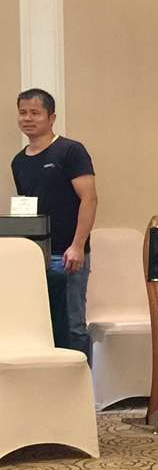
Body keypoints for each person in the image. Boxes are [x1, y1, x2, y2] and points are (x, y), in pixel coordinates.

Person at [12, 89, 98, 358]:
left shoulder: (70, 151)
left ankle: (81, 383)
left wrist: (78, 245)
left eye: (35, 113)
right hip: (35, 258)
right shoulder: (18, 161)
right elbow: (27, 211)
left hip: (68, 255)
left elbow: (89, 199)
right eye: (23, 112)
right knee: (41, 327)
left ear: (51, 117)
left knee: (72, 326)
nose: (27, 118)